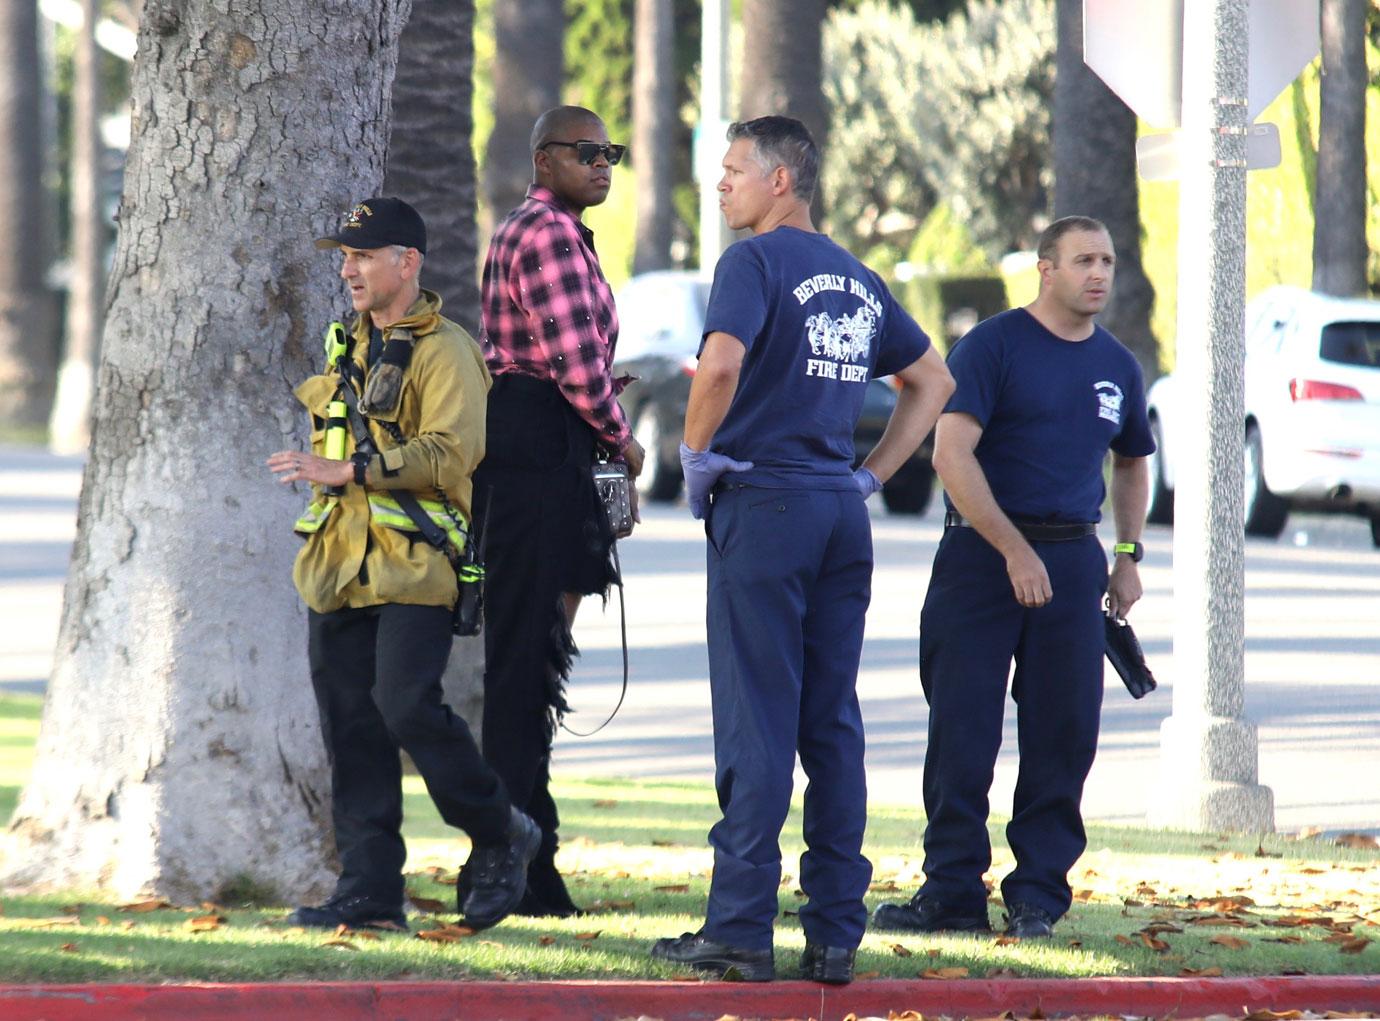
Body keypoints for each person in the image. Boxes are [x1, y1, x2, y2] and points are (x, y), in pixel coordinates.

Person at [649, 116, 955, 985]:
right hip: (835, 511)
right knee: (831, 720)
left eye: (735, 170)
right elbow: (933, 379)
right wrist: (869, 475)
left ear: (781, 180)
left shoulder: (752, 263)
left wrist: (697, 461)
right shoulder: (858, 278)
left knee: (757, 718)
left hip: (767, 502)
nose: (721, 185)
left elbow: (716, 368)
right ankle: (833, 931)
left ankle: (741, 927)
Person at [872, 215, 1154, 940]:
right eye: (1083, 260)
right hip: (980, 556)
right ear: (1045, 269)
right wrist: (1011, 549)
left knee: (1063, 734)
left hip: (1070, 558)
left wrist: (1126, 553)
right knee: (962, 730)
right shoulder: (993, 345)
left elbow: (1130, 461)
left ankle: (1038, 895)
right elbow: (950, 455)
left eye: (1108, 261)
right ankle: (951, 892)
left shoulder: (1118, 365)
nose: (1098, 273)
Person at [268, 197, 539, 932]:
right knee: (350, 726)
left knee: (406, 705)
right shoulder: (347, 345)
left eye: (363, 255)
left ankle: (497, 829)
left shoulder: (446, 348)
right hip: (339, 565)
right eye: (345, 257)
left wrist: (351, 471)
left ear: (408, 263)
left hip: (415, 565)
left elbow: (453, 454)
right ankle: (370, 889)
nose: (349, 269)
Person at [470, 106, 645, 918]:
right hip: (536, 447)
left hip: (546, 445)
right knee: (522, 664)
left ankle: (530, 858)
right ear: (545, 160)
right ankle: (515, 861)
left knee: (535, 659)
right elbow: (576, 363)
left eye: (610, 151)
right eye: (587, 151)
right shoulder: (545, 233)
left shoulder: (558, 231)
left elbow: (571, 357)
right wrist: (624, 437)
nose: (603, 162)